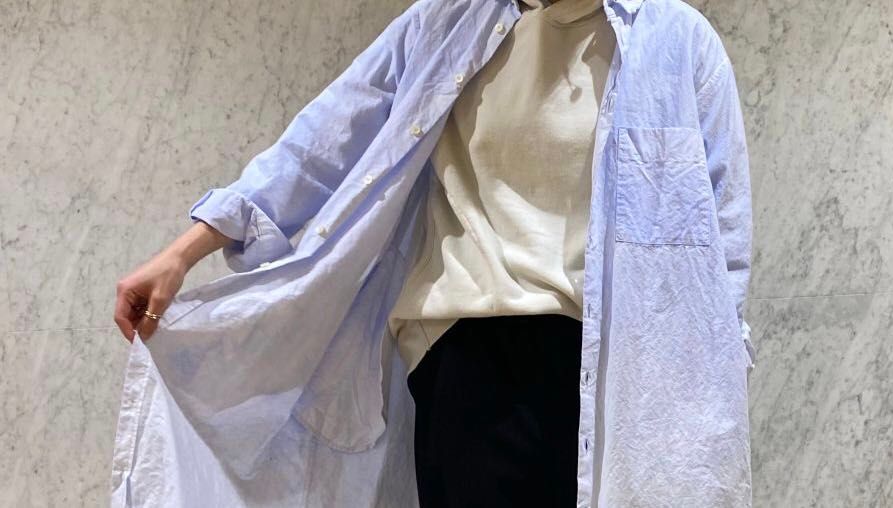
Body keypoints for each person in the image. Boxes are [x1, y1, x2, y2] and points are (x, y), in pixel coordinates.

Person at [111, 0, 754, 506]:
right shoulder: (447, 24)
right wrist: (185, 252)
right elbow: (322, 140)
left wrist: (708, 389)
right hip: (470, 356)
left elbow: (722, 236)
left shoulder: (677, 41)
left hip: (622, 371)